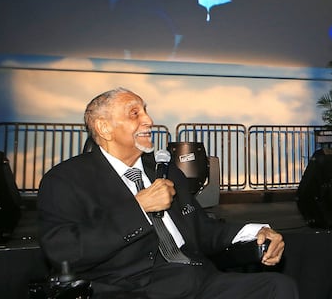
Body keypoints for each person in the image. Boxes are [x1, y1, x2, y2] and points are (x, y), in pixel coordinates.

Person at [37, 88, 298, 298]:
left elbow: (203, 230)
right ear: (104, 128)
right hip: (132, 289)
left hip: (197, 278)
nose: (148, 120)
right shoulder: (65, 180)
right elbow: (63, 250)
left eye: (146, 111)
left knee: (277, 288)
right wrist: (138, 208)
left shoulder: (166, 171)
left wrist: (256, 232)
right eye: (134, 113)